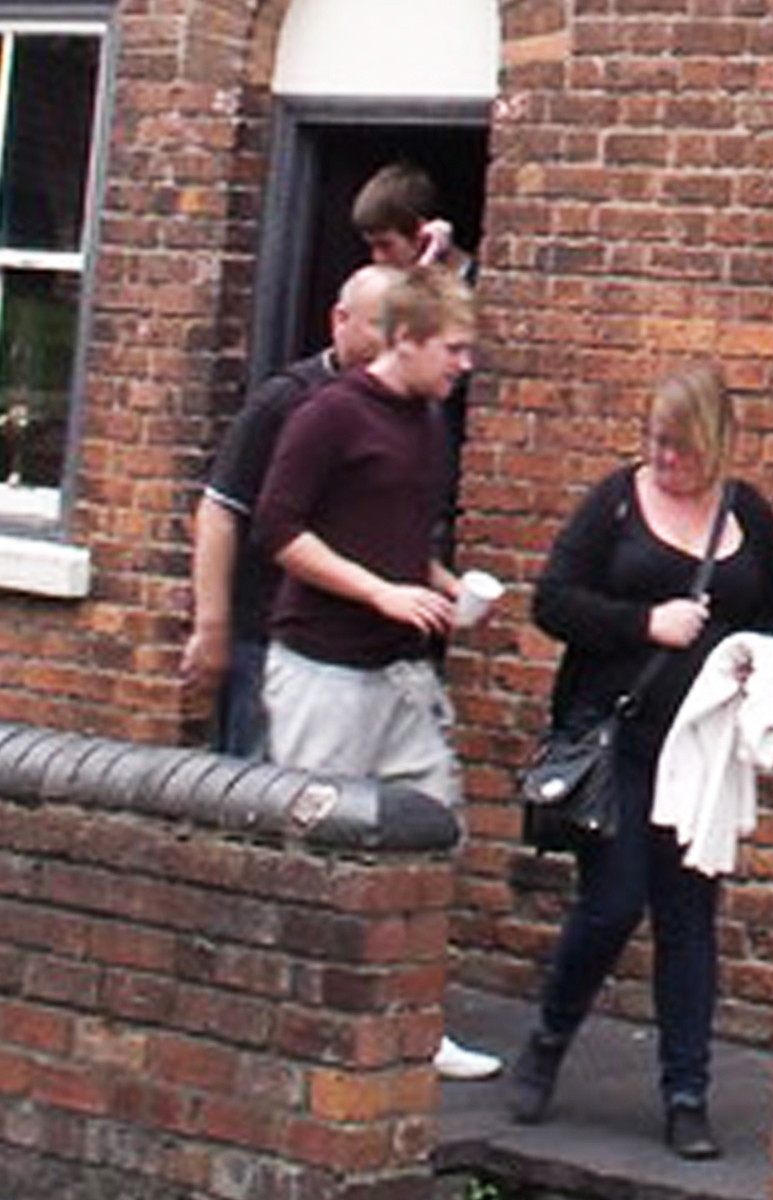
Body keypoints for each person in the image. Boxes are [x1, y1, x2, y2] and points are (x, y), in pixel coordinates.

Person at [510, 363, 773, 1159]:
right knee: (611, 903)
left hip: (701, 753)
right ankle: (548, 1037)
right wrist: (646, 623)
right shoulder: (615, 501)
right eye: (655, 444)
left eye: (679, 448)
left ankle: (687, 1091)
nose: (664, 461)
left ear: (715, 444)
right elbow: (554, 601)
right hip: (621, 736)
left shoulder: (750, 518)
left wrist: (756, 660)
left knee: (688, 920)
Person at [249, 266, 503, 1082]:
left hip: (402, 675)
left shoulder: (429, 423)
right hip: (323, 667)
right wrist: (378, 592)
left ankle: (418, 1023)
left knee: (435, 835)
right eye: (454, 349)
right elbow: (278, 531)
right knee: (321, 852)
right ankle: (302, 1025)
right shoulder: (327, 415)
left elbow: (394, 534)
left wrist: (440, 585)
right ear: (405, 340)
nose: (463, 366)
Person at [183, 266, 395, 757]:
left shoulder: (403, 413)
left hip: (351, 647)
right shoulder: (286, 401)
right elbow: (220, 512)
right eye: (379, 326)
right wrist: (212, 629)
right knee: (259, 794)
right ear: (340, 320)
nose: (390, 344)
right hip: (268, 637)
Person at [352, 162, 469, 274]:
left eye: (385, 245)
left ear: (422, 234)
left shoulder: (477, 282)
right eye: (373, 247)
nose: (377, 258)